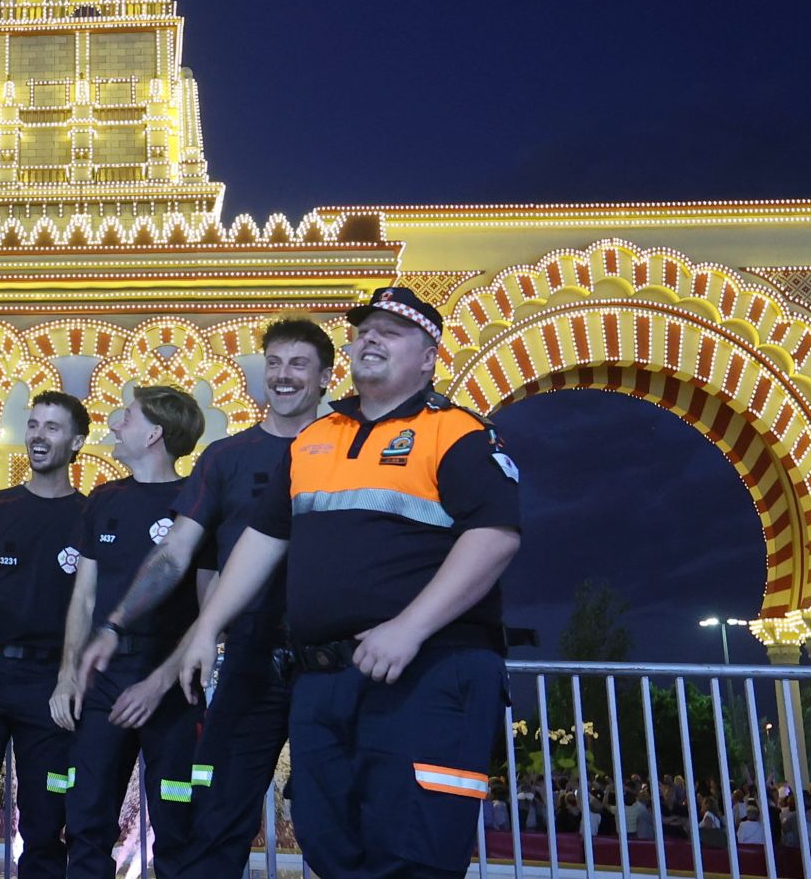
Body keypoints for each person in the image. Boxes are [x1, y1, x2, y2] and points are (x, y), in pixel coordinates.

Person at [178, 285, 522, 879]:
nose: (371, 339)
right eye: (364, 330)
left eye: (392, 331)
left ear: (428, 358)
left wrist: (409, 629)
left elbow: (494, 537)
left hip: (427, 673)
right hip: (323, 680)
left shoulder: (458, 432)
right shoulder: (315, 439)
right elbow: (263, 539)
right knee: (327, 840)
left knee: (411, 855)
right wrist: (207, 627)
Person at [77, 319, 336, 878]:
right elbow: (174, 552)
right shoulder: (226, 457)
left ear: (325, 377)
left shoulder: (347, 446)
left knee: (329, 821)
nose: (283, 375)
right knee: (215, 821)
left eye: (298, 364)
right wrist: (115, 624)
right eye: (274, 363)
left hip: (334, 663)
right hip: (250, 660)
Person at [51, 386, 205, 879]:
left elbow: (211, 611)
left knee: (178, 827)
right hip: (103, 682)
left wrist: (160, 682)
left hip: (172, 684)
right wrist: (68, 675)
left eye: (127, 416)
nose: (115, 425)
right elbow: (84, 597)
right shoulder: (104, 498)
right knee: (86, 820)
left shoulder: (198, 499)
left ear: (155, 433)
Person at [0, 391, 90, 879]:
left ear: (76, 442)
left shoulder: (91, 515)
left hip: (51, 682)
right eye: (33, 425)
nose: (38, 436)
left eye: (52, 427)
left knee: (47, 822)